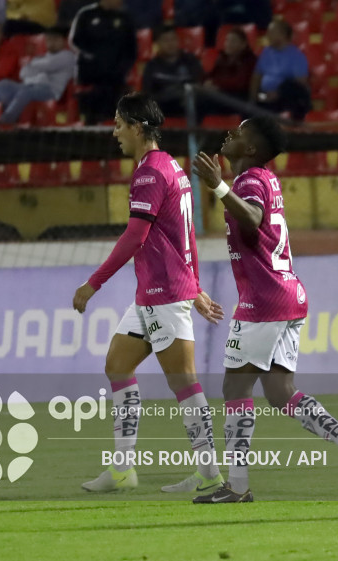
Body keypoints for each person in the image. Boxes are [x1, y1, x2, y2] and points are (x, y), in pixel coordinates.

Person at [190, 117, 338, 503]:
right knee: (280, 392)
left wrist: (218, 185)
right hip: (289, 294)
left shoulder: (247, 182)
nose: (230, 134)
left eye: (239, 132)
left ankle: (237, 488)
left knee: (235, 386)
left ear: (250, 150)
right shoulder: (266, 178)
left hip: (264, 300)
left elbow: (254, 218)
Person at [72, 93, 226, 494]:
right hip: (156, 293)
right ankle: (123, 470)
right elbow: (185, 235)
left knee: (184, 383)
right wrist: (193, 287)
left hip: (162, 292)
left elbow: (135, 237)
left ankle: (210, 474)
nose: (115, 131)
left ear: (138, 128)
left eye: (120, 124)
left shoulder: (148, 174)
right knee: (118, 366)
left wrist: (94, 283)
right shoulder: (171, 167)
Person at [69, 0, 136, 124]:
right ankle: (92, 121)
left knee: (113, 87)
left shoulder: (125, 18)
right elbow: (75, 41)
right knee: (97, 89)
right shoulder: (86, 14)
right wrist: (93, 58)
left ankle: (107, 123)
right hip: (90, 70)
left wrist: (123, 67)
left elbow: (131, 49)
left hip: (116, 72)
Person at [0, 25, 74, 124]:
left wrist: (32, 66)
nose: (51, 43)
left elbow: (49, 65)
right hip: (30, 86)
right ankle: (13, 115)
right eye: (49, 40)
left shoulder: (67, 56)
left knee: (26, 91)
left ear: (63, 41)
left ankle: (6, 120)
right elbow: (22, 74)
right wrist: (35, 67)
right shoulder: (41, 58)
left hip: (50, 91)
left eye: (55, 40)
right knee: (3, 84)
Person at [249, 20, 311, 121]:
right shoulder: (266, 52)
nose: (268, 36)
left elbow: (300, 84)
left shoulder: (297, 56)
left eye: (271, 33)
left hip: (285, 99)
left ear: (283, 35)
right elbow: (257, 76)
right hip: (265, 96)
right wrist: (253, 97)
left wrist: (278, 93)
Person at [141, 25, 203, 117]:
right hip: (163, 108)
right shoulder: (152, 65)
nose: (170, 43)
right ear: (157, 44)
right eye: (165, 40)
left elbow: (199, 84)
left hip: (187, 105)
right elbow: (148, 93)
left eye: (173, 39)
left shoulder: (190, 61)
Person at [198, 26, 257, 116]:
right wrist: (206, 82)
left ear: (243, 44)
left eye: (233, 41)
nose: (228, 44)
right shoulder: (223, 58)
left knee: (201, 102)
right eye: (227, 40)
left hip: (237, 99)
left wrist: (216, 84)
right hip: (220, 95)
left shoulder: (249, 60)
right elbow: (212, 75)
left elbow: (239, 83)